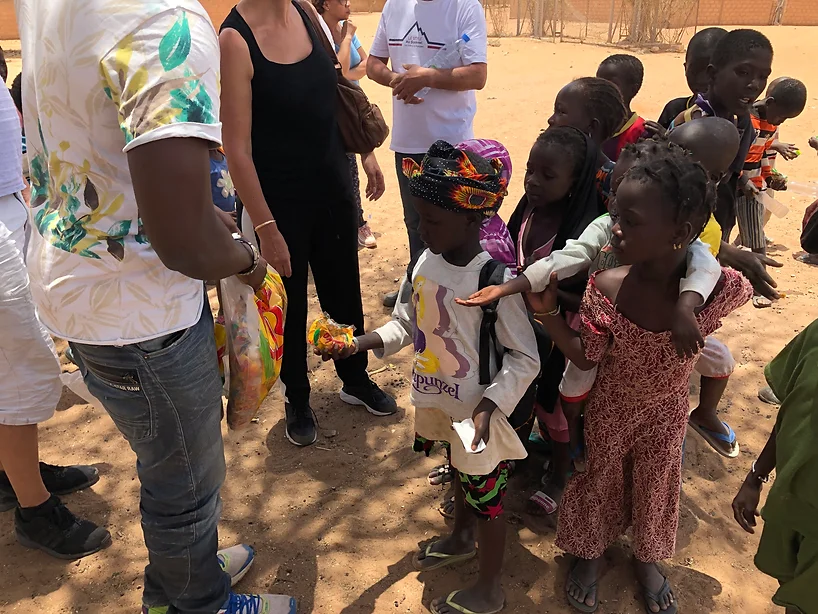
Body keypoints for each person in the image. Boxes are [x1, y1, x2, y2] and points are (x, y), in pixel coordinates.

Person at [16, 1, 296, 611]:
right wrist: (247, 262)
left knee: (166, 465)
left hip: (79, 286)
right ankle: (200, 599)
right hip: (144, 315)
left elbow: (106, 153)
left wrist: (191, 212)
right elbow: (184, 243)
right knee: (186, 484)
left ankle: (180, 577)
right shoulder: (163, 22)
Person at [317, 141, 540, 614]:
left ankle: (491, 588)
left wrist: (488, 408)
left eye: (433, 221)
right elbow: (406, 324)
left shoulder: (494, 280)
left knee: (487, 498)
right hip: (439, 400)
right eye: (418, 218)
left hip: (480, 411)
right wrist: (357, 344)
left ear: (473, 219)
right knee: (456, 470)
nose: (421, 228)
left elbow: (525, 358)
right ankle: (458, 539)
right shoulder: (423, 263)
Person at [529, 142, 752, 613]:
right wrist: (548, 316)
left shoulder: (714, 292)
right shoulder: (608, 286)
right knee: (601, 476)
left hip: (668, 412)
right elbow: (586, 358)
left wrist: (698, 294)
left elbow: (736, 281)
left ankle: (649, 558)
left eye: (631, 221)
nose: (616, 228)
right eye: (616, 215)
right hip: (611, 407)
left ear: (682, 232)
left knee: (658, 482)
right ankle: (588, 553)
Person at [220, 0, 397, 449]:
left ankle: (354, 377)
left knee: (344, 289)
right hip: (280, 202)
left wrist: (366, 154)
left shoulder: (305, 11)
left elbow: (334, 91)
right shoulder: (235, 38)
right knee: (291, 303)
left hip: (333, 186)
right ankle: (296, 397)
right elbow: (237, 149)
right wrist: (266, 228)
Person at [0, 76, 109, 560]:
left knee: (15, 361)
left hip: (8, 198)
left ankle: (13, 473)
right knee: (20, 368)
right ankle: (35, 511)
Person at [499, 126, 606, 524]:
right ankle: (513, 451)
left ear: (575, 181)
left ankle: (559, 474)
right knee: (518, 389)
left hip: (563, 328)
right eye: (530, 170)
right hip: (523, 324)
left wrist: (537, 289)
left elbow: (588, 295)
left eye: (547, 175)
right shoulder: (528, 209)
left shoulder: (584, 229)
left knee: (557, 404)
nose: (533, 181)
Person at [366, 0, 488, 307]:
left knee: (451, 224)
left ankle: (450, 296)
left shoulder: (464, 7)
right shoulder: (395, 5)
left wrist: (427, 77)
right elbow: (373, 64)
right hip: (408, 144)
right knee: (416, 223)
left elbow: (477, 75)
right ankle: (416, 285)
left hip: (451, 145)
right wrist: (397, 80)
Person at [732, 319, 818, 614]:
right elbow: (792, 410)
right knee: (791, 595)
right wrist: (755, 476)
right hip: (790, 503)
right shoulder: (815, 334)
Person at [669, 28, 774, 242]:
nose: (754, 85)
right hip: (676, 224)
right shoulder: (689, 118)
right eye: (743, 73)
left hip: (720, 219)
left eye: (763, 77)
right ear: (712, 73)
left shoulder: (743, 122)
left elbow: (732, 174)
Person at [735, 77, 806, 308]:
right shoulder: (746, 120)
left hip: (754, 187)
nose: (781, 121)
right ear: (770, 101)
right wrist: (742, 178)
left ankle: (760, 287)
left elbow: (763, 151)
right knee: (721, 235)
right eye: (782, 116)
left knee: (756, 239)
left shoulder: (770, 123)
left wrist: (768, 176)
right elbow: (732, 155)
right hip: (731, 185)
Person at [314, 0, 378, 249]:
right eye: (342, 0)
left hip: (353, 110)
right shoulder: (318, 30)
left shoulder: (345, 28)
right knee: (340, 171)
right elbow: (336, 69)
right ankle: (346, 224)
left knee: (353, 170)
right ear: (327, 4)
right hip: (331, 112)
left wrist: (344, 75)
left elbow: (366, 65)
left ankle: (358, 223)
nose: (349, 3)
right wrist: (348, 38)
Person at [656, 27, 727, 129]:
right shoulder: (674, 110)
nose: (702, 80)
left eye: (712, 72)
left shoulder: (745, 121)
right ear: (685, 68)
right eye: (695, 70)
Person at [596, 54, 646, 161]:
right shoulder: (590, 124)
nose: (602, 89)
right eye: (598, 83)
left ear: (633, 89)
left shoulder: (641, 131)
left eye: (611, 84)